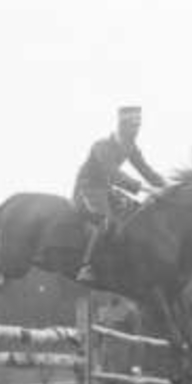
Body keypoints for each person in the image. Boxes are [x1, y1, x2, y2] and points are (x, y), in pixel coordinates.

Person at [72, 105, 166, 283]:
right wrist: (143, 188)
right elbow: (114, 174)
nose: (136, 130)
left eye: (138, 126)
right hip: (87, 188)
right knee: (106, 221)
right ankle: (86, 267)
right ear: (122, 125)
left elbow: (146, 170)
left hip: (105, 189)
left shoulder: (130, 147)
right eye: (133, 125)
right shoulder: (101, 146)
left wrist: (168, 187)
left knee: (136, 213)